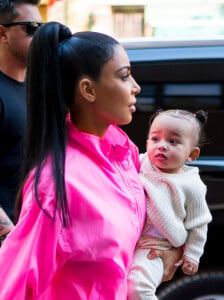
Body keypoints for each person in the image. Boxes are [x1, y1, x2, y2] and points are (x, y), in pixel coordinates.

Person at [0, 21, 182, 299]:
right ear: (88, 90)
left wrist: (166, 251)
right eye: (124, 76)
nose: (136, 87)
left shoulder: (124, 152)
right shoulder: (57, 184)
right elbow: (14, 286)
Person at [128, 109, 213, 300]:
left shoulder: (192, 185)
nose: (162, 146)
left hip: (156, 247)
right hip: (130, 240)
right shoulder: (141, 162)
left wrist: (192, 254)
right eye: (155, 139)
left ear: (192, 154)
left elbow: (199, 224)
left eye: (173, 141)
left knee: (137, 288)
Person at [0, 0, 42, 234]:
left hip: (36, 236)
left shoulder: (38, 87)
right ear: (2, 33)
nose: (39, 36)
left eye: (41, 28)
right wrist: (9, 237)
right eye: (30, 28)